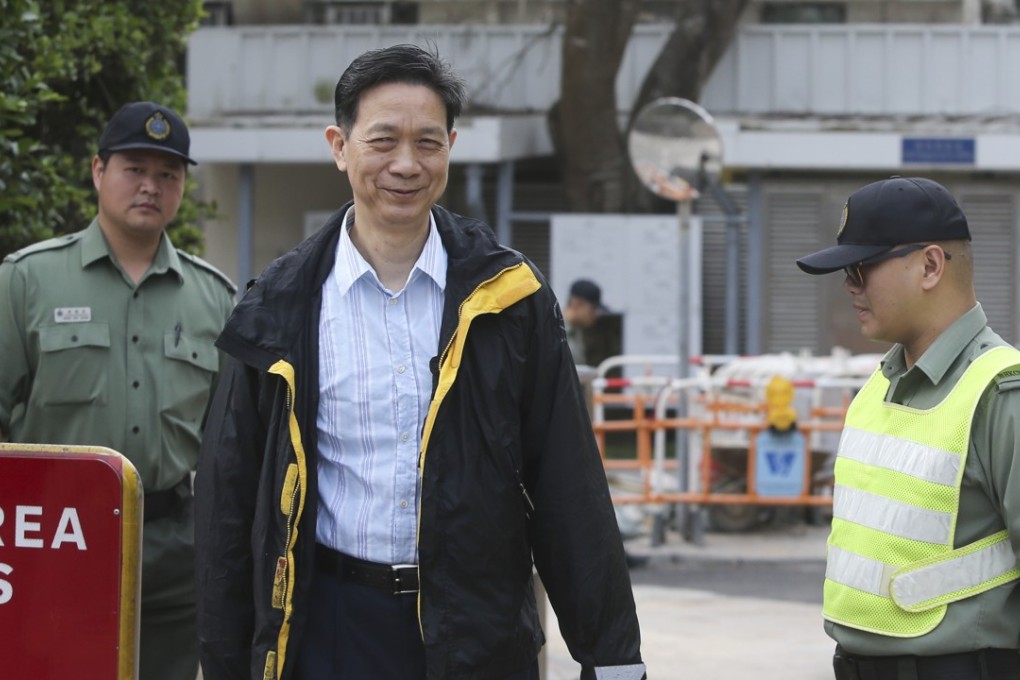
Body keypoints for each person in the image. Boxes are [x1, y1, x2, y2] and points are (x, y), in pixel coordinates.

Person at [193, 44, 644, 680]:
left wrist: (614, 657)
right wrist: (222, 660)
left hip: (476, 627)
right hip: (328, 625)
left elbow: (568, 484)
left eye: (428, 143)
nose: (406, 164)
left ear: (450, 147)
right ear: (339, 145)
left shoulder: (509, 296)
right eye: (382, 140)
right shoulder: (277, 306)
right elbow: (227, 501)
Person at [0, 101, 236, 680]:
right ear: (98, 171)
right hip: (53, 539)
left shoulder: (215, 299)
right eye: (135, 168)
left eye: (168, 175)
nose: (150, 186)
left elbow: (229, 442)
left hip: (173, 549)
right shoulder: (27, 280)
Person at [796, 176, 1020, 680]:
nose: (850, 285)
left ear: (930, 265)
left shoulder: (1002, 394)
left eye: (861, 268)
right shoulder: (879, 384)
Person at [563, 278, 605, 366]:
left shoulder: (576, 330)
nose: (596, 314)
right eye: (593, 308)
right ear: (576, 304)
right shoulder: (553, 328)